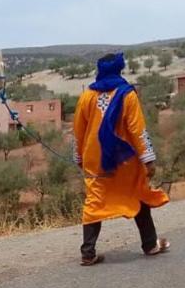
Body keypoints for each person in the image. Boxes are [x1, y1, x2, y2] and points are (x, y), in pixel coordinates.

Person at [72, 52, 170, 266]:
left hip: (95, 159)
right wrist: (148, 159)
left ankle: (88, 253)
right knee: (138, 193)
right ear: (119, 69)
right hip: (124, 160)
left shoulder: (87, 95)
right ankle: (150, 244)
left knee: (94, 200)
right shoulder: (127, 94)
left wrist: (78, 156)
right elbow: (137, 130)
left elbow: (78, 130)